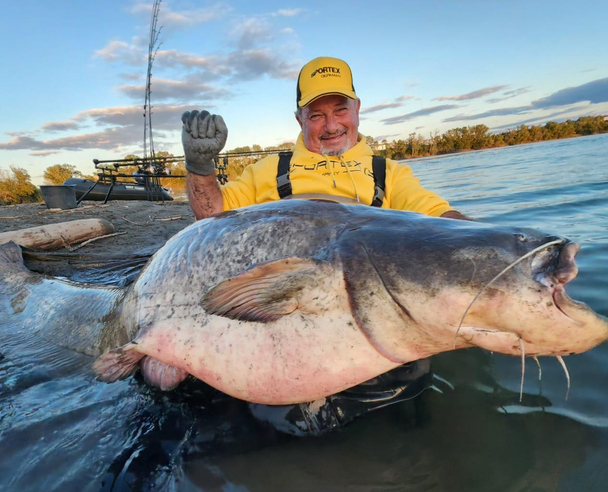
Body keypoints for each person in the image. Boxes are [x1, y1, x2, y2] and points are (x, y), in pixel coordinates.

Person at [180, 56, 467, 435]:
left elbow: (441, 221)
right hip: (280, 328)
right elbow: (210, 219)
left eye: (340, 110)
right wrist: (200, 168)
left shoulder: (389, 174)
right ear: (299, 119)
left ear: (357, 109)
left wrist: (492, 248)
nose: (331, 125)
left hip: (372, 331)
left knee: (406, 415)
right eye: (316, 115)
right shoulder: (269, 170)